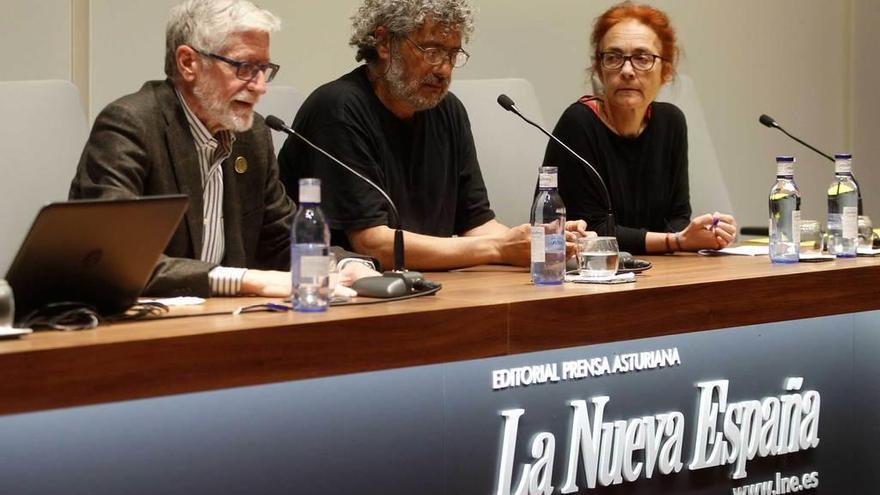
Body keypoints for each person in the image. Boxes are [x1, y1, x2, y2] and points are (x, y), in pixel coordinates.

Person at [69, 0, 376, 298]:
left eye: (264, 69)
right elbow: (115, 260)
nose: (260, 86)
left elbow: (281, 239)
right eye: (244, 67)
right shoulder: (131, 126)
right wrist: (247, 280)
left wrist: (345, 265)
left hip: (222, 325)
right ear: (188, 63)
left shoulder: (251, 135)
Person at [278, 0, 586, 271]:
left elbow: (476, 224)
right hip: (349, 295)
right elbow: (374, 244)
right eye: (431, 50)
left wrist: (541, 241)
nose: (444, 69)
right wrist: (500, 248)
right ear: (384, 44)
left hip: (429, 289)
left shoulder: (449, 111)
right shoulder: (339, 109)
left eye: (453, 54)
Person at [543, 1, 737, 255]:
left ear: (665, 71)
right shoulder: (579, 123)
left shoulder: (671, 122)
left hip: (658, 272)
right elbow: (593, 232)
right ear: (600, 71)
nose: (626, 71)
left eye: (642, 58)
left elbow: (678, 217)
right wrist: (677, 241)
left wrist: (702, 232)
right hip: (590, 275)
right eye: (613, 58)